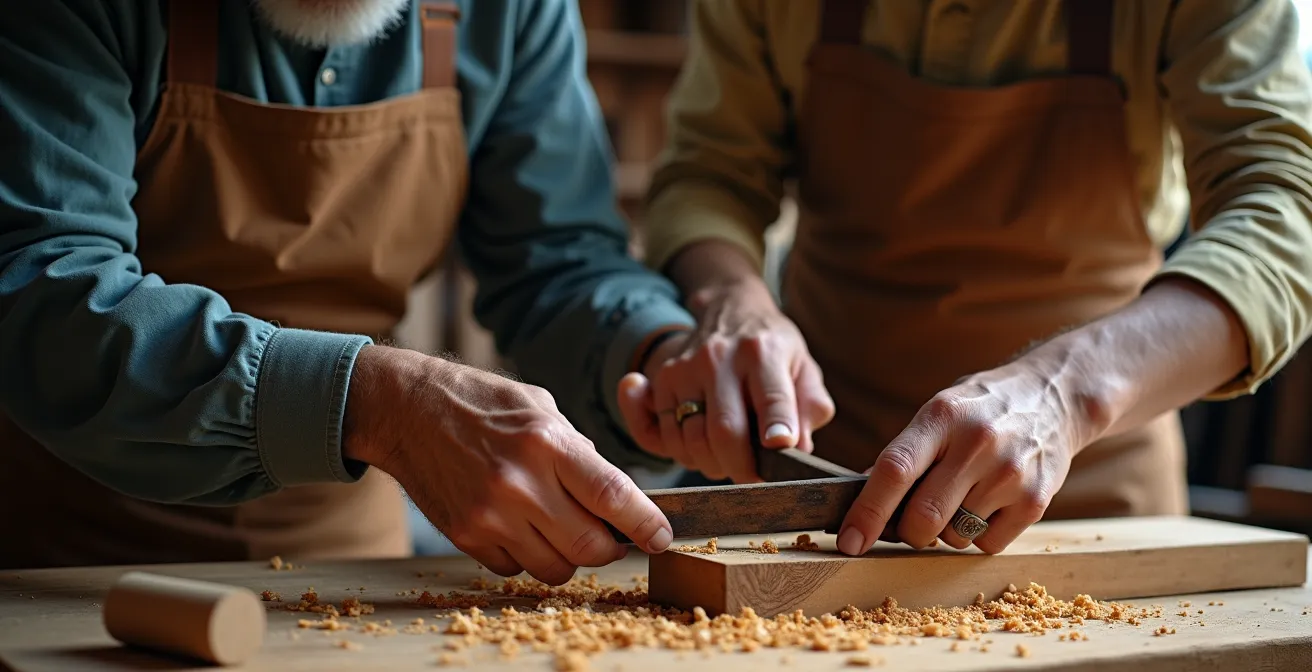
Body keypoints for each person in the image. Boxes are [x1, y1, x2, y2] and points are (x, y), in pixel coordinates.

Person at [0, 0, 693, 581]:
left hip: (348, 570)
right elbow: (40, 281)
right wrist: (379, 405)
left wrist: (657, 355)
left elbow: (560, 261)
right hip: (65, 562)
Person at [619, 0, 1312, 555]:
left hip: (1097, 495)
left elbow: (1286, 206)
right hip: (825, 502)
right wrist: (733, 297)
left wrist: (1064, 393)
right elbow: (710, 172)